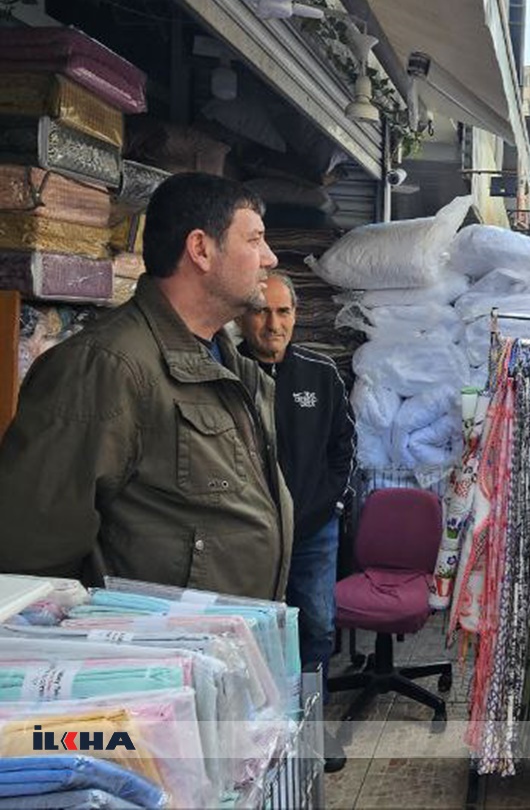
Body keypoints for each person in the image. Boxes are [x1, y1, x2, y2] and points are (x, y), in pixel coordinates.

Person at [0, 173, 291, 599]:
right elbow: (31, 554)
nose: (269, 258)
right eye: (255, 240)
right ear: (200, 249)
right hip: (148, 656)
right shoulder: (104, 366)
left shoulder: (233, 367)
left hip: (217, 652)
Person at [237, 271, 354, 771]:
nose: (273, 323)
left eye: (283, 312)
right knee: (252, 631)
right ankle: (260, 736)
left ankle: (311, 728)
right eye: (262, 311)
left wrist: (325, 507)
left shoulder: (319, 374)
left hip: (311, 532)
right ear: (244, 316)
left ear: (295, 317)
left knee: (317, 627)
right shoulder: (226, 371)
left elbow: (343, 447)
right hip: (248, 534)